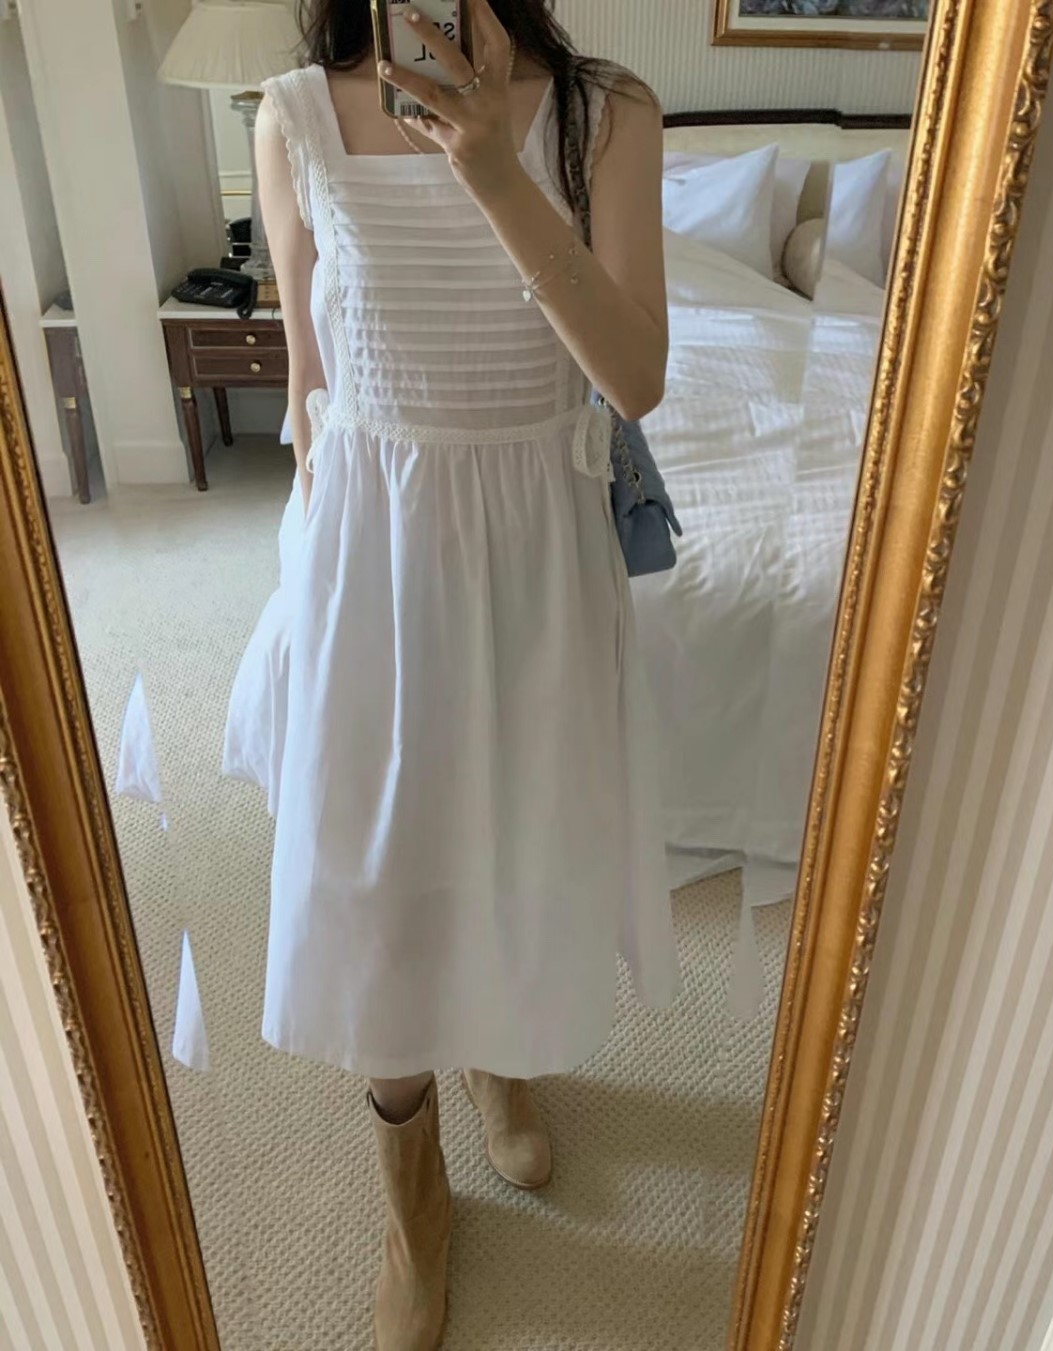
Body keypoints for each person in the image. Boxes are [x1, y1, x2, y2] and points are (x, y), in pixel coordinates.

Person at [224, 0, 680, 1344]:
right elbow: (309, 383)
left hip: (536, 552)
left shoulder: (606, 114)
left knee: (514, 840)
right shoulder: (294, 117)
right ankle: (410, 1193)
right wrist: (310, 585)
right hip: (371, 554)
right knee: (375, 877)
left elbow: (636, 378)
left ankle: (500, 1051)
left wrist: (492, 170)